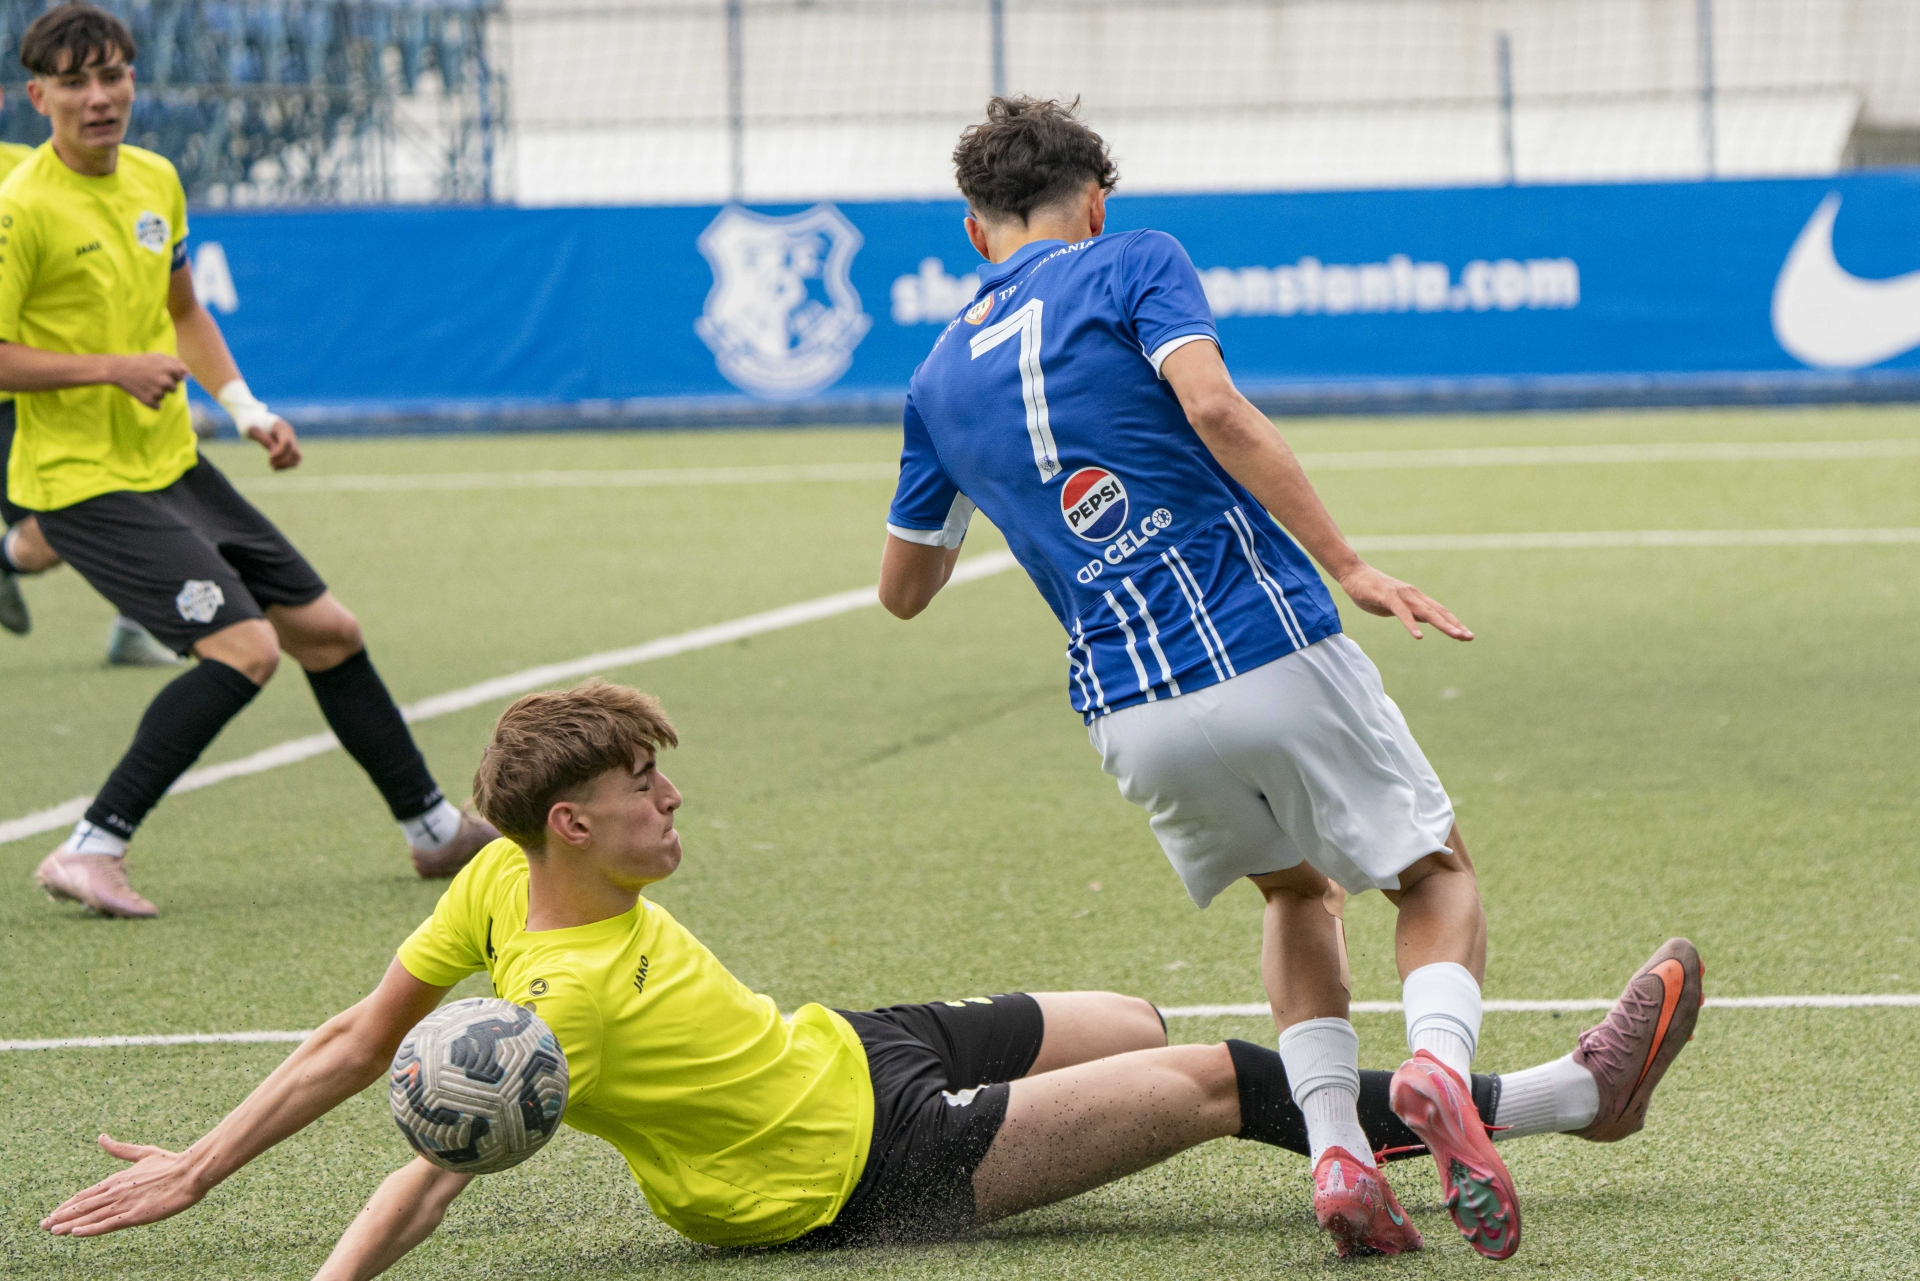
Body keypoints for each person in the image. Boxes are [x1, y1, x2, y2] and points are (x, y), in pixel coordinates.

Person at [39, 680, 1702, 1272]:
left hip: (844, 1049)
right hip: (850, 1170)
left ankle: (1398, 1118)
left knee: (1125, 1016)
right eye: (644, 788)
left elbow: (354, 1038)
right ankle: (1565, 1099)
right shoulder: (559, 1012)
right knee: (1208, 1078)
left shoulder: (495, 873)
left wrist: (201, 1164)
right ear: (576, 824)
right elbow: (439, 1155)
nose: (672, 799)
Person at [876, 97, 1598, 1257]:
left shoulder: (931, 382)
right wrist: (1350, 564)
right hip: (1257, 642)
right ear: (1094, 203)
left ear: (974, 230)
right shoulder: (1132, 261)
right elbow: (1211, 403)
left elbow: (905, 589)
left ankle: (1339, 1155)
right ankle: (1435, 1069)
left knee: (1296, 895)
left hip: (1125, 707)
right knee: (1433, 873)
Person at [1, 4, 495, 919]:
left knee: (328, 631)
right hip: (80, 484)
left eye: (112, 75)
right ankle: (91, 847)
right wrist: (112, 368)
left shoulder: (155, 177)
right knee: (246, 648)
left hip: (171, 465)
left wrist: (246, 408)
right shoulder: (20, 207)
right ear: (39, 97)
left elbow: (184, 311)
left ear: (133, 80)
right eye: (74, 83)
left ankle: (434, 832)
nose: (98, 97)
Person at [0, 79, 173, 665]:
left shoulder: (28, 173)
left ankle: (134, 626)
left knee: (111, 509)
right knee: (61, 531)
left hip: (32, 390)